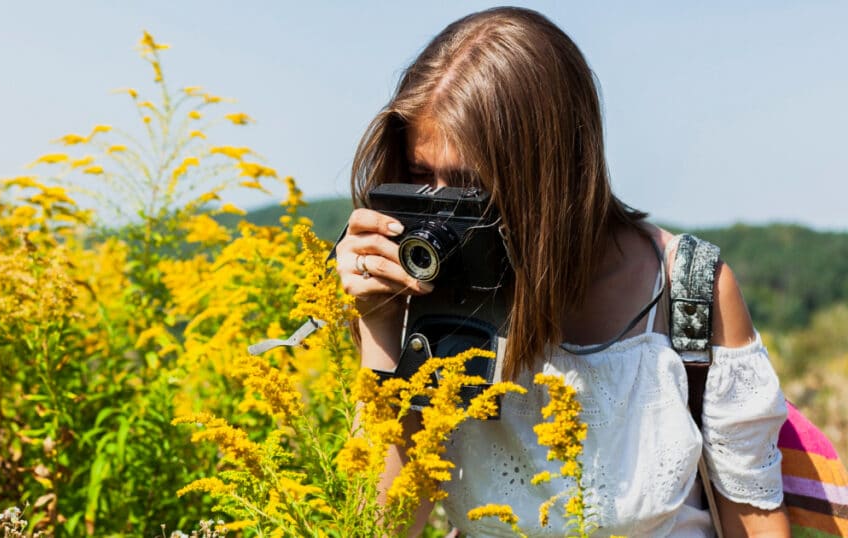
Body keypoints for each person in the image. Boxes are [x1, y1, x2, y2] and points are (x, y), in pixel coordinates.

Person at [335, 7, 790, 537]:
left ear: (548, 176)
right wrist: (382, 329)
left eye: (468, 184)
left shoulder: (686, 289)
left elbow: (756, 523)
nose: (441, 212)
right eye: (418, 177)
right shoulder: (426, 287)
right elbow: (377, 527)